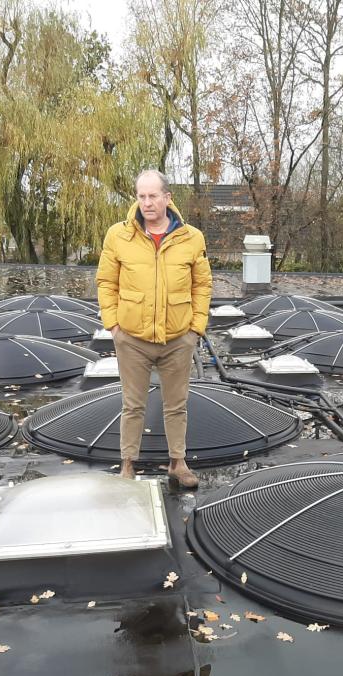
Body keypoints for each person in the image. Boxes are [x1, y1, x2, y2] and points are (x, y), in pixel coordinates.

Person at [96, 169, 212, 489]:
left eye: (152, 196)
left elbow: (202, 285)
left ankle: (178, 462)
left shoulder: (192, 238)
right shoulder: (118, 235)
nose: (147, 203)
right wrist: (114, 326)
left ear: (167, 198)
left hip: (178, 338)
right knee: (132, 405)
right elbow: (107, 282)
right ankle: (128, 464)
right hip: (132, 339)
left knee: (177, 405)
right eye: (141, 196)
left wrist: (195, 329)